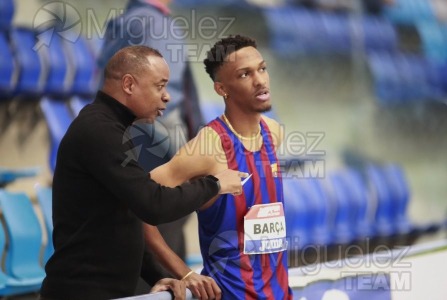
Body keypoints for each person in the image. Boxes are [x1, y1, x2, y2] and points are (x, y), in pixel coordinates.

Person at [39, 45, 246, 300]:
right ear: (128, 84)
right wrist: (213, 185)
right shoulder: (98, 131)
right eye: (160, 86)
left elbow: (122, 222)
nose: (167, 96)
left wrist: (157, 275)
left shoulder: (111, 129)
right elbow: (153, 204)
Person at [144, 35, 293, 299]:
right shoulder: (209, 146)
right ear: (221, 89)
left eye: (262, 68)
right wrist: (184, 271)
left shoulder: (273, 133)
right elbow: (138, 199)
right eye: (244, 74)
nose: (260, 80)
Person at [97, 0, 205, 289]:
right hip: (158, 158)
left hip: (135, 152)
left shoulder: (127, 20)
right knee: (161, 260)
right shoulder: (152, 23)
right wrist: (187, 160)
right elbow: (161, 102)